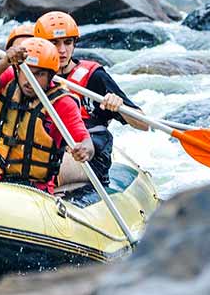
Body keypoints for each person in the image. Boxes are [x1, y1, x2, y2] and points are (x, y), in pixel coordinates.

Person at [31, 11, 147, 185]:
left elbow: (143, 124)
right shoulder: (32, 76)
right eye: (54, 43)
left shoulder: (94, 77)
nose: (62, 50)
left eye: (68, 42)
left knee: (45, 169)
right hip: (50, 145)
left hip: (90, 152)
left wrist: (119, 104)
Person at [0, 37, 94, 193]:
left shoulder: (62, 103)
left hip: (34, 188)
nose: (30, 81)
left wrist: (84, 150)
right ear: (18, 70)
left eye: (39, 74)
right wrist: (5, 62)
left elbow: (86, 142)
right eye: (26, 72)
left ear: (51, 75)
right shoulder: (10, 79)